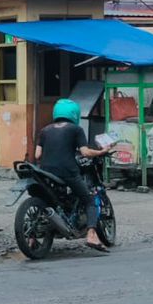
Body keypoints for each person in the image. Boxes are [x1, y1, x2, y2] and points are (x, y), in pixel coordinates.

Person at [34, 97, 109, 251]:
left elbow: (37, 155)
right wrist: (101, 151)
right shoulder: (76, 129)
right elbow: (85, 152)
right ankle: (91, 235)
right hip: (67, 171)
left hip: (45, 173)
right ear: (75, 114)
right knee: (89, 200)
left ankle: (31, 238)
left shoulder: (44, 130)